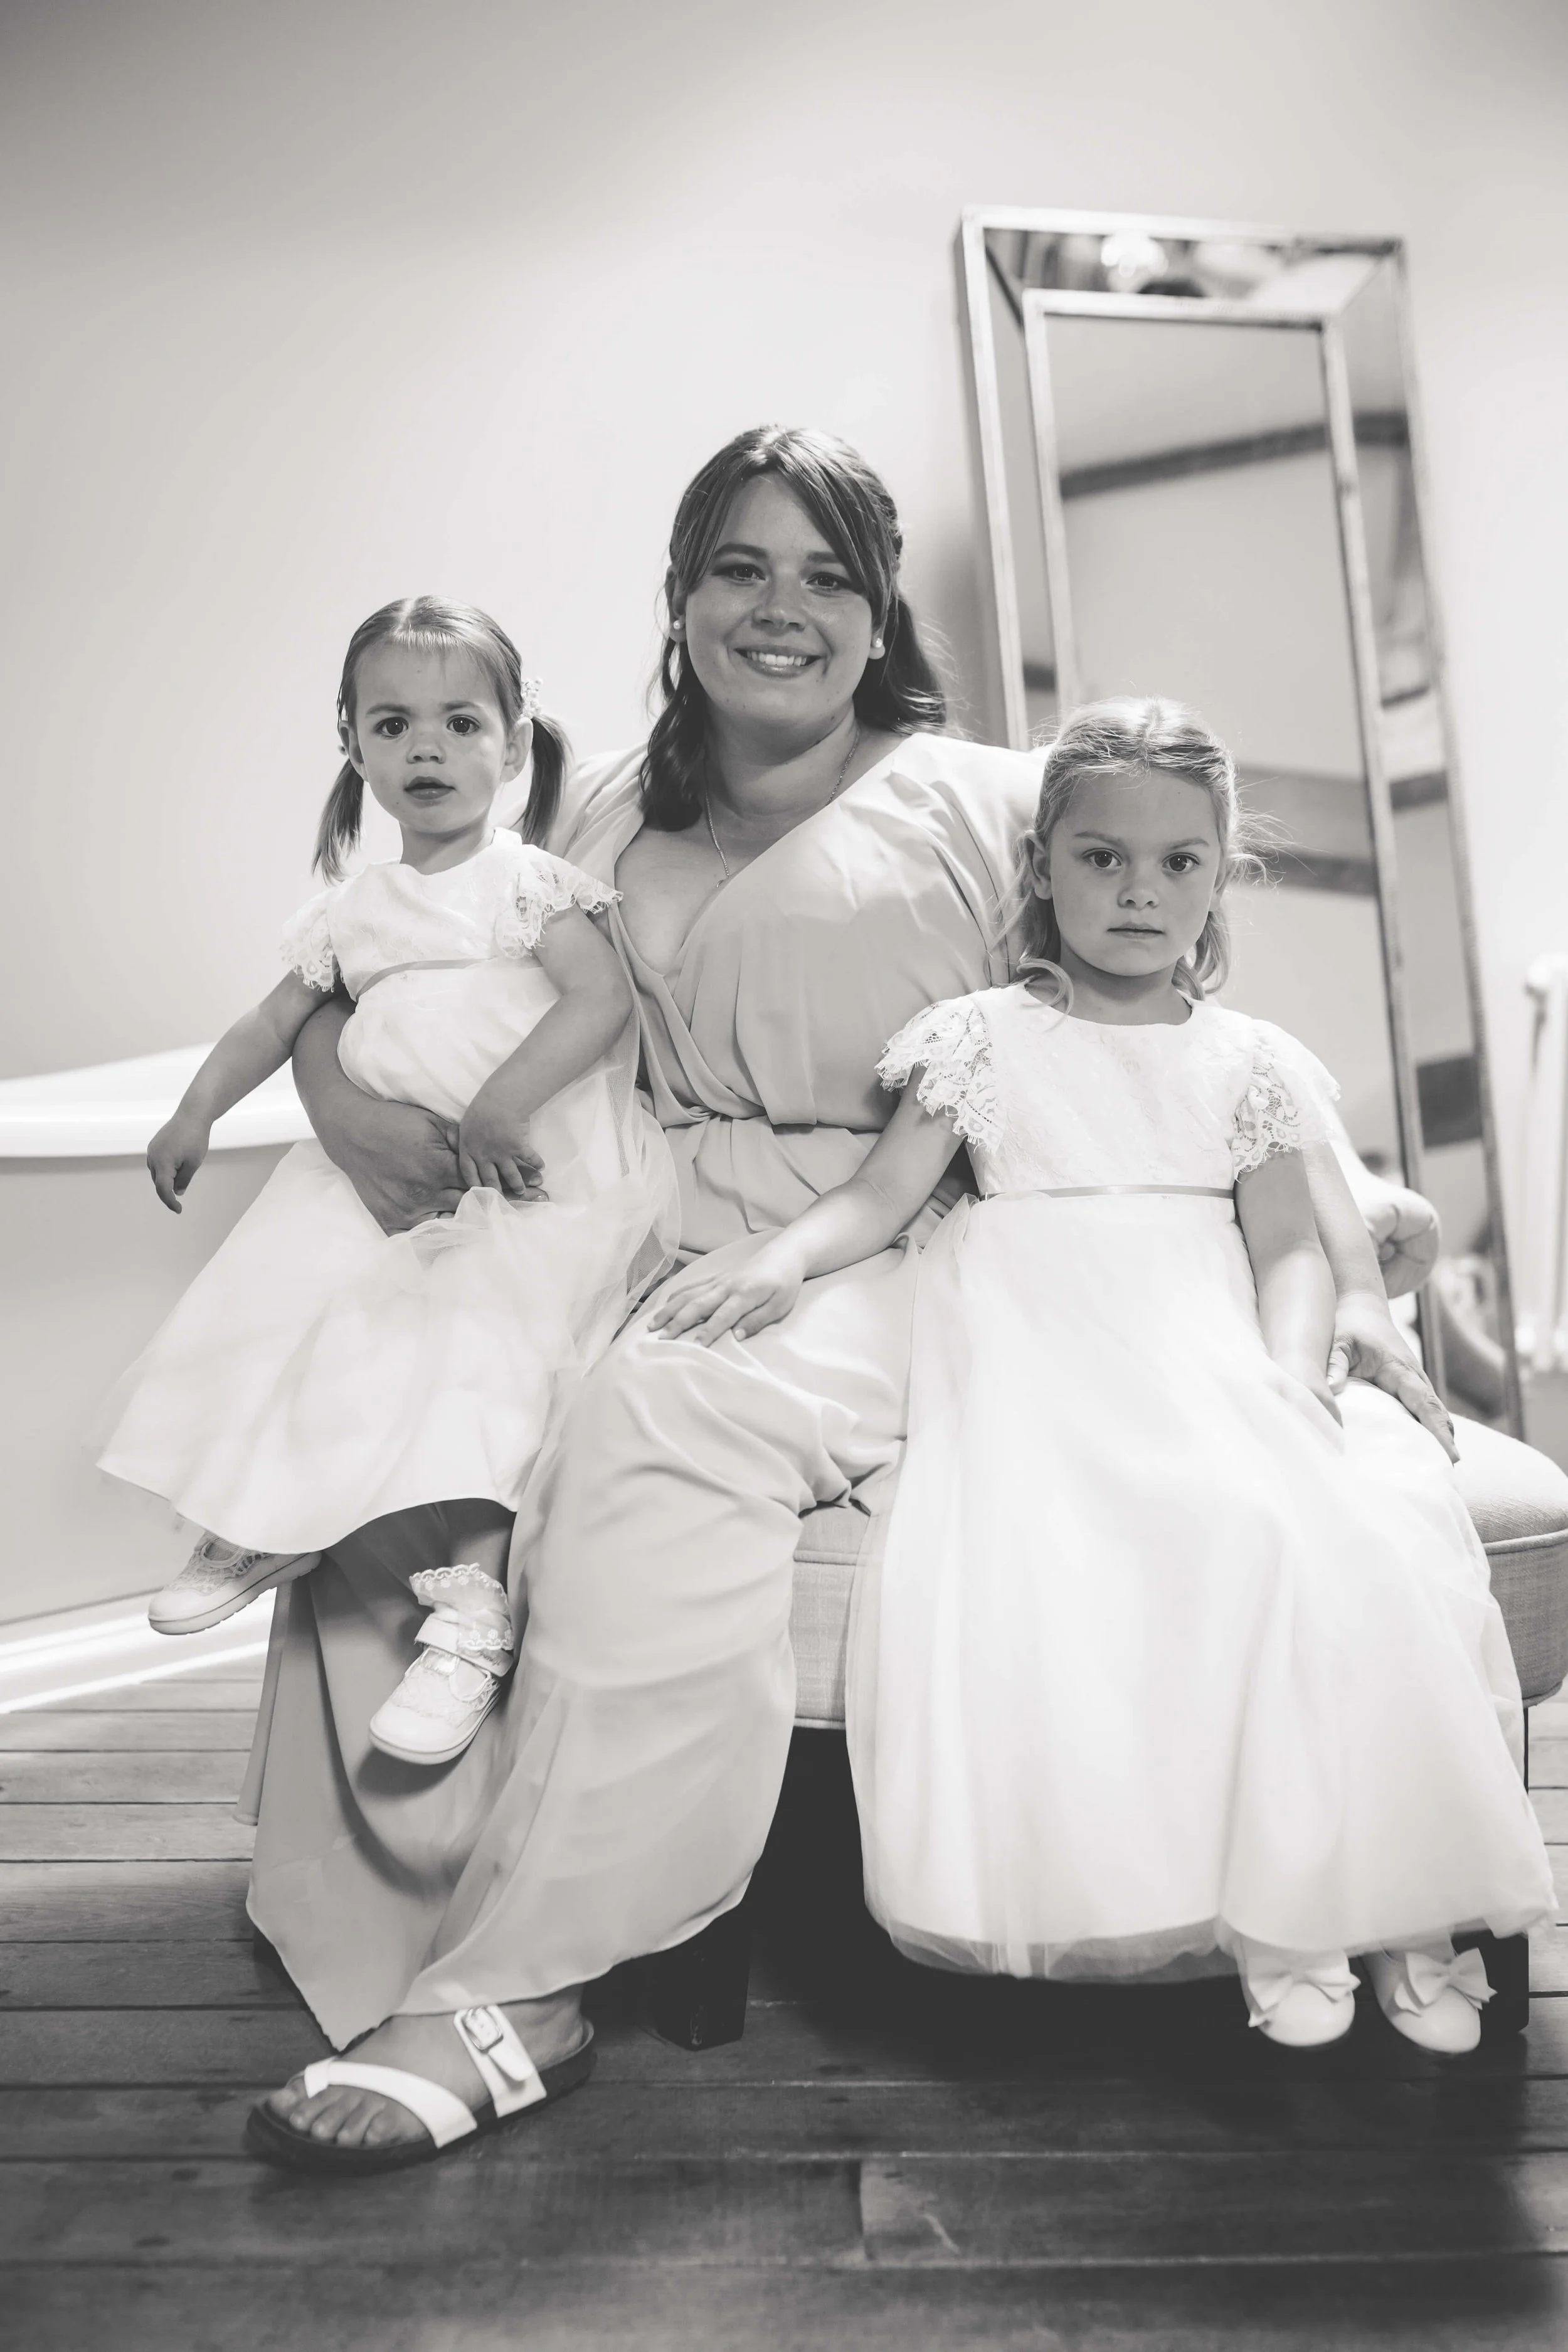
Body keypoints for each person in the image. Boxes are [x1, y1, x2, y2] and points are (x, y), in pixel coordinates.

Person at [246, 430, 1458, 2172]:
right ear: (678, 599)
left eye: (827, 572)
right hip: (637, 1219)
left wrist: (1355, 1238)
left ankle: (525, 1982)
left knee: (664, 1409)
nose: (783, 607)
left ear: (878, 607)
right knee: (380, 1387)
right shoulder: (604, 810)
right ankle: (410, 1881)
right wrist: (323, 1077)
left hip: (909, 1234)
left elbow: (1183, 1030)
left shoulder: (986, 793)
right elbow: (395, 946)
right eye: (741, 567)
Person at [658, 696, 1554, 2054]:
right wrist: (781, 1258)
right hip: (1041, 1347)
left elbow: (1286, 1246)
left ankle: (1389, 1905)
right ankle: (1273, 1916)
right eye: (1101, 859)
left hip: (1202, 1326)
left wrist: (1283, 1365)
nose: (1139, 891)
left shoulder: (1245, 1060)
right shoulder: (979, 1039)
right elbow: (880, 1196)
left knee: (1313, 1530)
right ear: (1043, 868)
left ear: (1215, 879)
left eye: (1176, 864)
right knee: (1145, 1543)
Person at [100, 597, 675, 1767]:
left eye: (462, 722)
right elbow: (272, 1022)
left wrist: (503, 1101)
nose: (427, 748)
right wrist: (194, 1109)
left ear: (514, 748)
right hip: (367, 1182)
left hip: (518, 1180)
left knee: (476, 1373)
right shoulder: (348, 912)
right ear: (354, 747)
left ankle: (472, 1615)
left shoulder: (530, 885)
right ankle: (257, 1518)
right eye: (395, 724)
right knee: (277, 1315)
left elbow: (600, 1000)